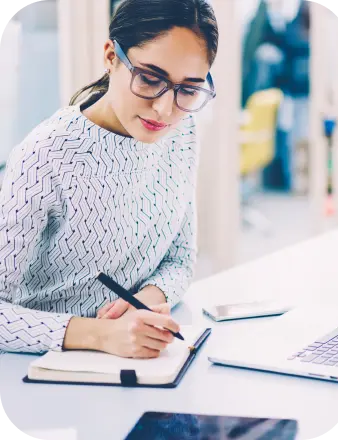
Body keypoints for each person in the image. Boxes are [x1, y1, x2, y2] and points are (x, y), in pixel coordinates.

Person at [0, 0, 218, 358]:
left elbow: (179, 261)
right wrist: (101, 335)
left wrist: (145, 302)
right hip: (45, 370)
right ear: (111, 57)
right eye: (150, 79)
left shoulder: (182, 132)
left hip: (136, 357)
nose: (165, 109)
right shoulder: (45, 155)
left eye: (188, 89)